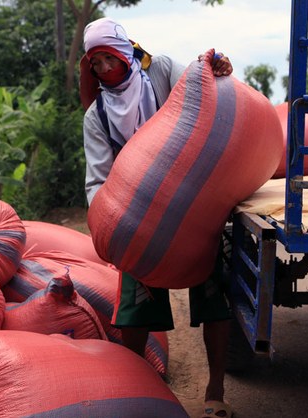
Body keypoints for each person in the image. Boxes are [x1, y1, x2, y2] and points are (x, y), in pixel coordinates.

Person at [80, 17, 234, 418]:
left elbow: (204, 90)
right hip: (139, 217)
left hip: (197, 200)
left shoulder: (161, 70)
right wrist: (109, 224)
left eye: (107, 58)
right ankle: (134, 391)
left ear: (125, 51)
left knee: (213, 296)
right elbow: (96, 180)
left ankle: (215, 389)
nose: (102, 70)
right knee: (134, 313)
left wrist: (216, 65)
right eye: (93, 64)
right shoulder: (97, 116)